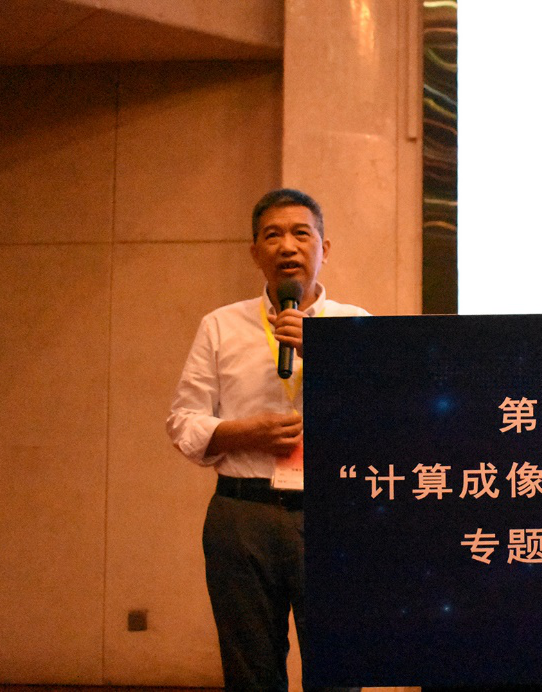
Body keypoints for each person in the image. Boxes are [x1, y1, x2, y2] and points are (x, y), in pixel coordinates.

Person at [167, 188, 369, 690]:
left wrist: (325, 354)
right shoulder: (220, 325)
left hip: (334, 513)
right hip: (242, 514)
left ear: (324, 248)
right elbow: (183, 421)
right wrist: (243, 432)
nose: (287, 246)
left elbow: (386, 418)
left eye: (301, 233)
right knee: (250, 672)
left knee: (340, 668)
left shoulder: (356, 326)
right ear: (255, 252)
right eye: (272, 235)